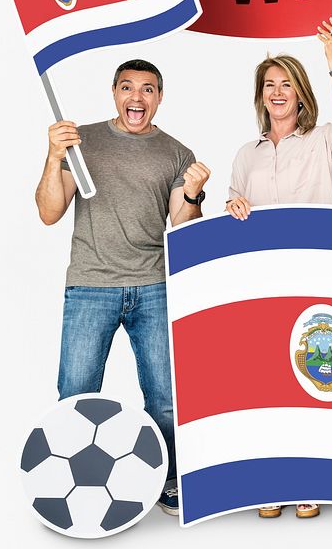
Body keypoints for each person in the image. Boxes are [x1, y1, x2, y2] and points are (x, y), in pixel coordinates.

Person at [35, 59, 212, 516]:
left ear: (159, 97)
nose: (137, 98)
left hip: (154, 286)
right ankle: (65, 481)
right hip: (91, 286)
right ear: (114, 92)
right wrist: (54, 157)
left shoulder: (176, 153)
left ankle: (170, 479)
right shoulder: (83, 141)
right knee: (74, 391)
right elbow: (49, 212)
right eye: (128, 88)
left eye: (148, 89)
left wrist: (192, 192)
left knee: (166, 397)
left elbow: (182, 224)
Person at [226, 18, 332, 519]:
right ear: (261, 97)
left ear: (301, 95)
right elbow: (236, 202)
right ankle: (272, 478)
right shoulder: (246, 153)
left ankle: (308, 476)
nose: (278, 92)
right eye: (270, 85)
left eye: (286, 84)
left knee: (309, 373)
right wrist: (232, 206)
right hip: (263, 281)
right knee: (266, 378)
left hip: (314, 275)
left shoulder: (321, 141)